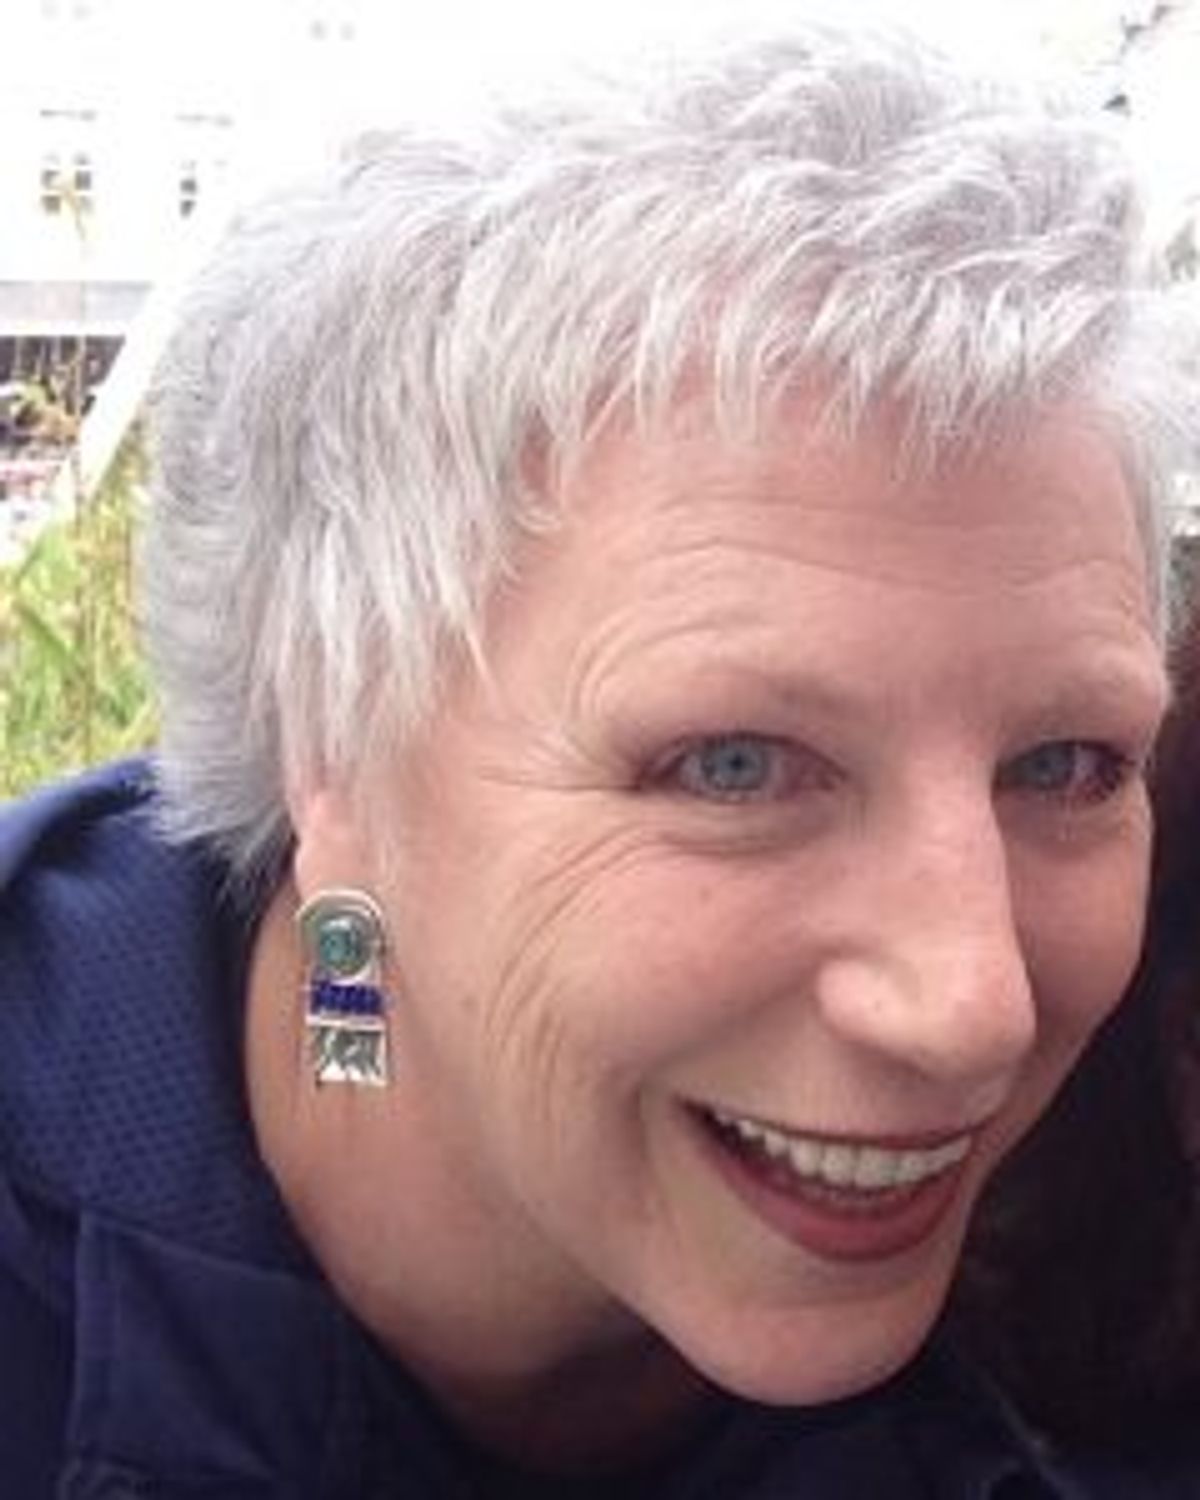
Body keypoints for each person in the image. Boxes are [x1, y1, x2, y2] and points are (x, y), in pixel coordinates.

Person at [1, 16, 1197, 1496]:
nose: (972, 1010)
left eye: (1069, 766)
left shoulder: (1118, 1268)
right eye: (736, 767)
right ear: (332, 755)